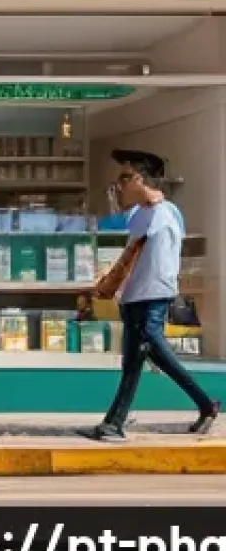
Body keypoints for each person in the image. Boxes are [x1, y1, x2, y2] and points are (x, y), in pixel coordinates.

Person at [81, 150, 219, 442]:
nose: (119, 185)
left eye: (124, 177)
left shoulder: (164, 213)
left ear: (140, 178)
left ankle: (115, 423)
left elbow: (166, 262)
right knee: (138, 360)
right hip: (135, 297)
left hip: (151, 296)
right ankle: (205, 406)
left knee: (143, 356)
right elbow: (128, 250)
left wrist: (158, 294)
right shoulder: (140, 214)